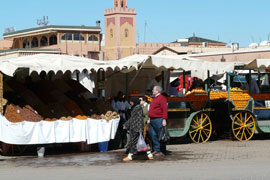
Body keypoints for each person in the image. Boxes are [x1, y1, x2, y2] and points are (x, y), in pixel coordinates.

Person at [123, 97, 153, 161]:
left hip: (136, 128)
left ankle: (130, 156)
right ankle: (149, 154)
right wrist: (126, 125)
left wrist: (139, 129)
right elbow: (132, 118)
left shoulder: (137, 108)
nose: (130, 103)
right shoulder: (135, 108)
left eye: (131, 101)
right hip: (135, 127)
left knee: (133, 142)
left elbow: (139, 119)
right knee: (140, 143)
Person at [147, 85, 168, 156]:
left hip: (158, 119)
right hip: (152, 120)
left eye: (153, 90)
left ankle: (162, 151)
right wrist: (149, 118)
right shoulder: (155, 98)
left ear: (157, 91)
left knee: (160, 135)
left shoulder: (162, 98)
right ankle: (156, 149)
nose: (152, 91)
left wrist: (164, 119)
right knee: (153, 135)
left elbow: (164, 109)